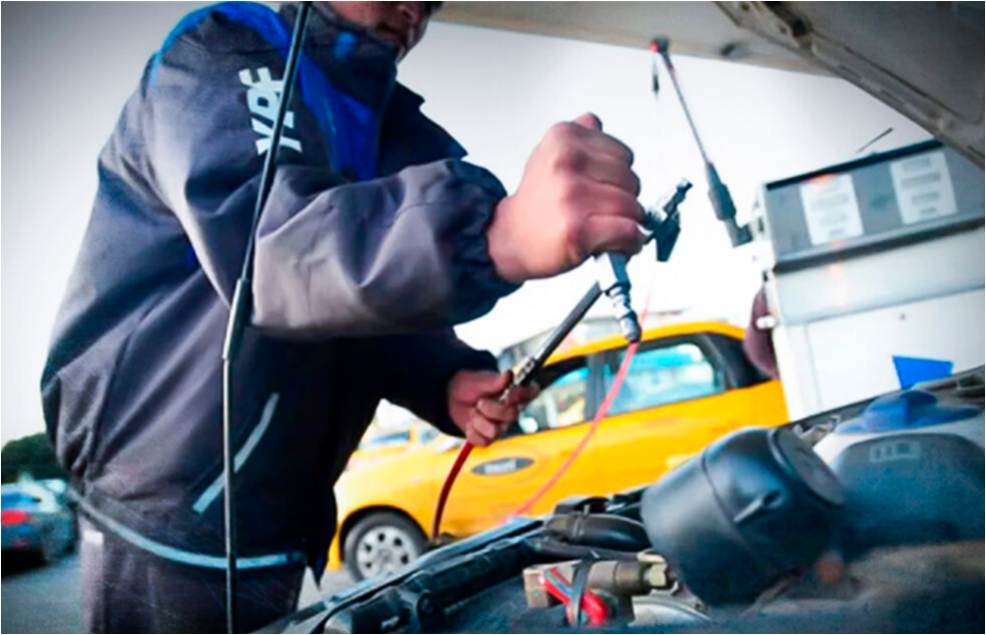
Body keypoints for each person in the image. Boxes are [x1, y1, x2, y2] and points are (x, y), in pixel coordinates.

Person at [41, 2, 644, 632]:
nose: (415, 7)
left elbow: (354, 308)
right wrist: (494, 234)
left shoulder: (393, 129)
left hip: (284, 515)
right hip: (162, 508)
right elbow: (273, 251)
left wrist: (444, 380)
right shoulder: (225, 51)